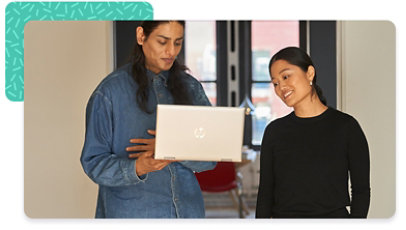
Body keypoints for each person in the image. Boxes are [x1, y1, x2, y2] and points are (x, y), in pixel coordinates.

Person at [80, 21, 216, 218]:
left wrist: (176, 149)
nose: (171, 51)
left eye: (177, 43)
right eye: (163, 42)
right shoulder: (109, 92)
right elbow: (93, 163)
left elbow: (211, 158)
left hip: (188, 212)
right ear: (141, 36)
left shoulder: (192, 88)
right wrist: (137, 167)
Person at [255, 47, 370, 218]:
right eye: (276, 83)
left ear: (310, 73)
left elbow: (361, 191)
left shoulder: (346, 127)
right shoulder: (274, 131)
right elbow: (265, 195)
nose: (281, 87)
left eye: (286, 76)